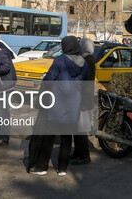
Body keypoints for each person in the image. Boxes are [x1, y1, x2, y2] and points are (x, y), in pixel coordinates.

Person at [28, 36, 90, 176]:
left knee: (48, 137)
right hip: (74, 106)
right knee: (67, 138)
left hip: (57, 106)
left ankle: (41, 166)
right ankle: (62, 168)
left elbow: (48, 80)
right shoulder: (84, 64)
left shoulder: (59, 61)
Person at [70, 37, 97, 165]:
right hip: (84, 98)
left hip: (83, 99)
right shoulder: (89, 58)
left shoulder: (87, 60)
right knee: (77, 128)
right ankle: (77, 153)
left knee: (80, 130)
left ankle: (84, 156)